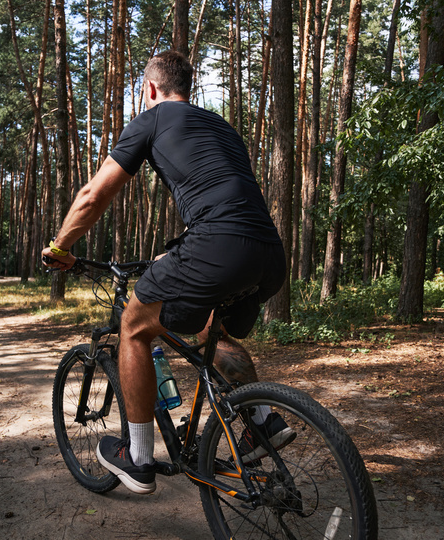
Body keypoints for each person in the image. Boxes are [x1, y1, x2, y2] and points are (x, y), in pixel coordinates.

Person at [41, 50, 292, 494]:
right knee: (214, 331)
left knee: (134, 326)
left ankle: (137, 458)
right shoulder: (221, 127)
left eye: (143, 91)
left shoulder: (152, 119)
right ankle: (260, 422)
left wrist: (61, 246)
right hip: (269, 253)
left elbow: (93, 195)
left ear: (151, 89)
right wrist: (171, 254)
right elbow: (223, 199)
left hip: (218, 244)